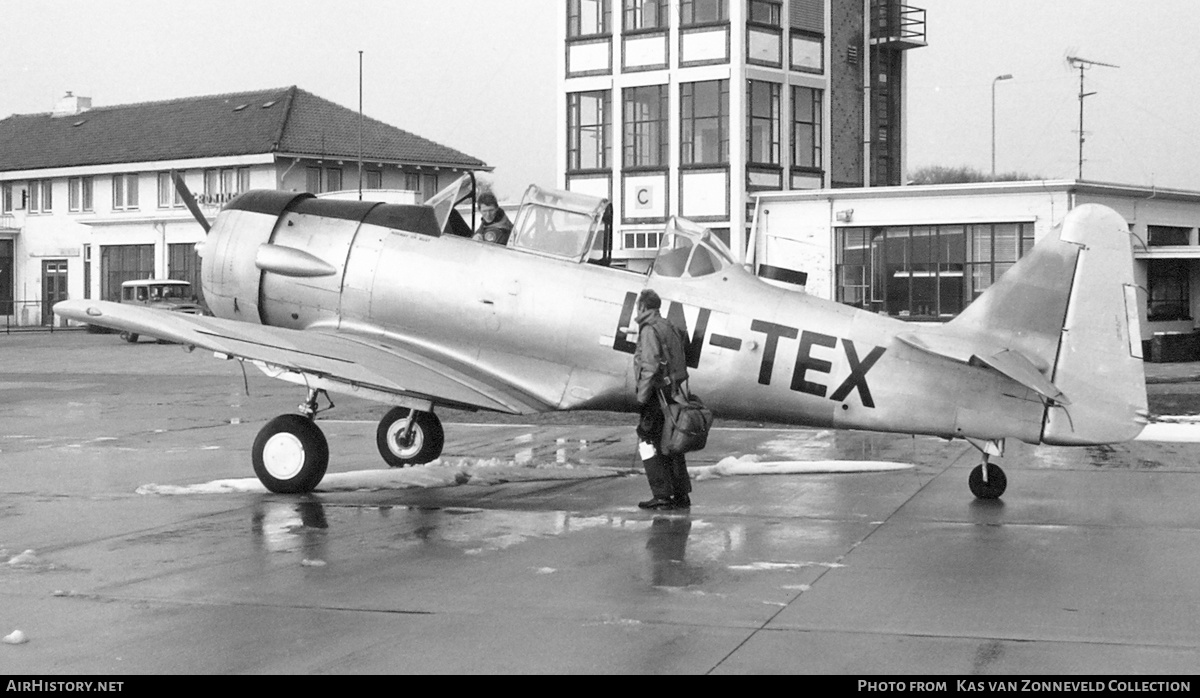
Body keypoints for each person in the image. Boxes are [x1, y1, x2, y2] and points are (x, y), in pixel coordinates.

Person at [632, 288, 693, 510]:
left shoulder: (649, 330)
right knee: (672, 444)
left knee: (647, 441)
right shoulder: (668, 326)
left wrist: (641, 397)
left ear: (642, 307)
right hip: (673, 392)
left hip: (657, 396)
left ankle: (661, 495)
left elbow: (649, 365)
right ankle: (681, 494)